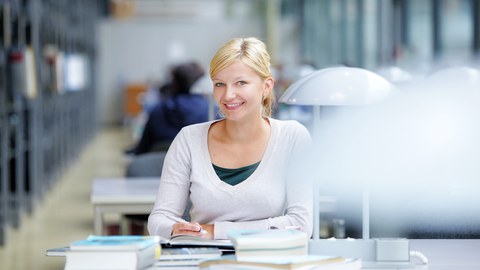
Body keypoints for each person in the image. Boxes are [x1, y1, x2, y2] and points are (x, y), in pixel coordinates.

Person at [147, 37, 313, 240]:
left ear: (267, 86)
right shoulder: (189, 139)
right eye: (219, 84)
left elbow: (301, 225)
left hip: (269, 260)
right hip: (203, 259)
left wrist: (215, 231)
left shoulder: (293, 137)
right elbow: (160, 219)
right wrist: (174, 229)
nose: (228, 95)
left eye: (241, 83)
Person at [127, 61, 211, 155]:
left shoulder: (158, 110)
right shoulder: (212, 111)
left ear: (174, 83)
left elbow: (142, 149)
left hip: (159, 167)